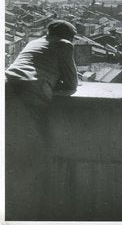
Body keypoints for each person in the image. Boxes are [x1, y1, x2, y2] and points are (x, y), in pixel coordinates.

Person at [5, 20, 78, 220]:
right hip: (31, 94)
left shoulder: (33, 43)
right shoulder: (65, 45)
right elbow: (72, 83)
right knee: (32, 156)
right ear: (69, 36)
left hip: (6, 88)